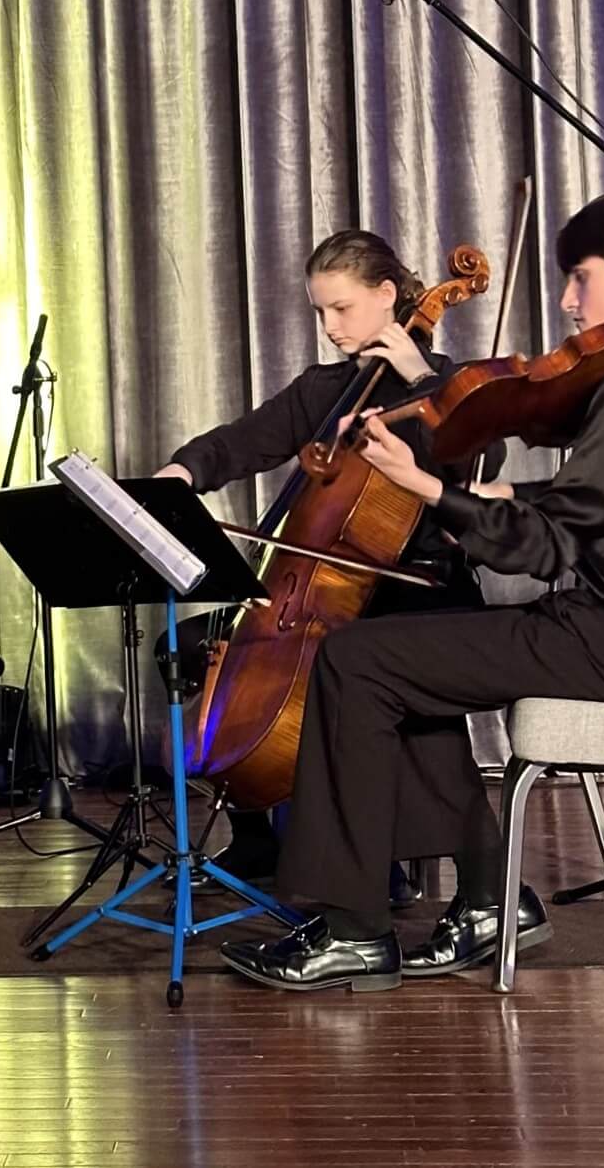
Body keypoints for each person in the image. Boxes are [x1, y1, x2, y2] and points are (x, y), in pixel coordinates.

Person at [220, 186, 604, 992]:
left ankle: (355, 932)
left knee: (353, 659)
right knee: (403, 659)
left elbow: (546, 549)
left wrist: (432, 490)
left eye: (581, 278)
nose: (570, 301)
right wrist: (505, 493)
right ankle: (485, 901)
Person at [155, 230, 503, 886]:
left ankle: (392, 859)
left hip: (421, 587)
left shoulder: (448, 385)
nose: (330, 326)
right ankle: (255, 836)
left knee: (372, 668)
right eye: (320, 311)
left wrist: (421, 381)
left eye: (341, 308)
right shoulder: (326, 390)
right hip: (324, 592)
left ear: (387, 295)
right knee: (193, 647)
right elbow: (241, 442)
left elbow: (477, 466)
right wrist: (184, 471)